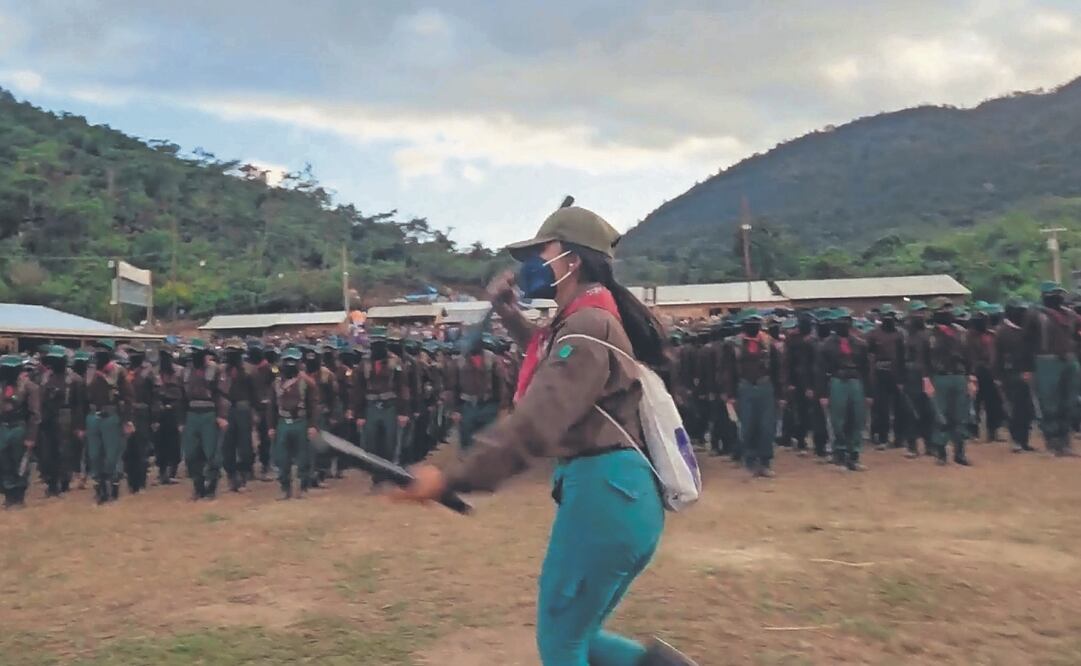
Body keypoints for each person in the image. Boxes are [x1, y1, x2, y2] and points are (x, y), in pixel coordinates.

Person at [395, 202, 695, 665]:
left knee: (561, 645)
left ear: (571, 261)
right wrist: (509, 313)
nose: (531, 266)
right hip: (618, 497)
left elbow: (535, 422)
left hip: (604, 493)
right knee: (578, 636)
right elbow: (548, 352)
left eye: (541, 254)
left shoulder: (588, 326)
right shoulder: (587, 319)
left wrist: (451, 478)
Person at [723, 309, 785, 478]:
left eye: (757, 322)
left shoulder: (769, 343)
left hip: (766, 386)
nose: (754, 326)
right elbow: (728, 372)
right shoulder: (733, 344)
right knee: (747, 426)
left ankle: (765, 462)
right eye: (750, 323)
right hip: (744, 387)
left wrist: (780, 394)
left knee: (767, 426)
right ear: (743, 325)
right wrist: (730, 394)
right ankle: (750, 460)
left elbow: (778, 369)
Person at [1026, 282, 1081, 456]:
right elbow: (1026, 342)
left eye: (1060, 293)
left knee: (1069, 402)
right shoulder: (1035, 315)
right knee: (1049, 403)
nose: (1058, 297)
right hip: (1046, 361)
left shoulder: (1071, 315)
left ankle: (1065, 443)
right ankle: (1051, 442)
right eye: (1054, 294)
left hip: (1069, 360)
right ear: (1044, 296)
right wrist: (1027, 367)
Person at [920, 299, 975, 466]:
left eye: (950, 308)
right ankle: (941, 453)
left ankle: (960, 453)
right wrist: (926, 381)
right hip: (939, 378)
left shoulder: (961, 333)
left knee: (960, 416)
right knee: (940, 416)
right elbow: (923, 361)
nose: (948, 312)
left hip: (959, 376)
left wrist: (971, 378)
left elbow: (969, 357)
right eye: (943, 309)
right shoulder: (928, 335)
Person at [816, 309, 872, 471]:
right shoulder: (826, 345)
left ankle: (854, 456)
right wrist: (823, 394)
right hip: (836, 382)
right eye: (841, 321)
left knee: (857, 419)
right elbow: (820, 371)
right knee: (838, 421)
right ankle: (839, 455)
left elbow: (866, 369)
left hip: (856, 382)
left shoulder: (860, 344)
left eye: (847, 320)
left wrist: (868, 392)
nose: (845, 324)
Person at [352, 328, 410, 483]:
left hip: (390, 406)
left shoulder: (395, 362)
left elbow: (402, 387)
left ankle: (389, 475)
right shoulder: (364, 364)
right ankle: (376, 477)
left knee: (390, 443)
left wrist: (403, 412)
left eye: (380, 342)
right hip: (370, 407)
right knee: (371, 443)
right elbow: (358, 389)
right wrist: (359, 414)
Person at [85, 339, 135, 504]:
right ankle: (100, 489)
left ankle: (113, 487)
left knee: (112, 456)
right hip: (93, 416)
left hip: (112, 416)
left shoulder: (118, 371)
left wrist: (127, 420)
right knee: (94, 455)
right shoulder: (90, 371)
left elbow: (128, 397)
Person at [268, 348, 318, 499]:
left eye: (293, 361)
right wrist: (271, 426)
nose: (290, 364)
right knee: (282, 458)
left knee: (303, 457)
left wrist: (312, 425)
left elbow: (313, 405)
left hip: (300, 422)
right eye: (287, 361)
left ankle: (303, 487)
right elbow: (271, 407)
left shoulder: (306, 383)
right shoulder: (276, 384)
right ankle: (285, 488)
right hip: (283, 422)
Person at [449, 333, 508, 451]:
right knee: (467, 443)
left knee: (488, 443)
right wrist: (455, 410)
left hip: (488, 405)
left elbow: (499, 383)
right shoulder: (460, 361)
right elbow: (453, 387)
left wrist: (498, 405)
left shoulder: (492, 359)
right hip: (467, 406)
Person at [37, 346, 83, 497]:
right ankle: (51, 483)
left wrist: (78, 425)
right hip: (48, 416)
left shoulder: (74, 379)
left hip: (66, 415)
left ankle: (63, 483)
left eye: (57, 360)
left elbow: (80, 405)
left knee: (65, 452)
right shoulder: (45, 378)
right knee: (47, 453)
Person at [181, 339, 222, 500]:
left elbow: (221, 395)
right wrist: (181, 421)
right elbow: (182, 397)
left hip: (209, 413)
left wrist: (221, 416)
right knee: (191, 454)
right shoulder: (186, 371)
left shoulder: (215, 370)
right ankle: (198, 487)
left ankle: (211, 487)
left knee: (211, 453)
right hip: (191, 414)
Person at [0, 354, 41, 508]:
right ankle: (8, 494)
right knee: (3, 462)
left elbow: (35, 414)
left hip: (19, 428)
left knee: (20, 463)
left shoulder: (29, 387)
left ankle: (19, 496)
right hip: (3, 427)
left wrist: (31, 436)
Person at [995, 301, 1035, 453]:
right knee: (1015, 409)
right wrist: (998, 377)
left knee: (1028, 410)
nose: (1023, 314)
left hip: (1027, 373)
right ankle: (1017, 441)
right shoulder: (1002, 331)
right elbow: (996, 356)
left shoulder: (1025, 330)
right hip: (1010, 374)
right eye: (1020, 311)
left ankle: (1025, 441)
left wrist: (1029, 370)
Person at [218, 339, 257, 492]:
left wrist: (254, 412)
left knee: (245, 447)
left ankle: (243, 475)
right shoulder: (221, 371)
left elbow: (254, 394)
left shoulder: (249, 370)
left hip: (243, 409)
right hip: (226, 410)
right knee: (227, 446)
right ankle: (231, 476)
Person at [867, 305, 906, 450]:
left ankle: (898, 438)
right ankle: (882, 437)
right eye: (886, 315)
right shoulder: (873, 334)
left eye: (891, 315)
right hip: (880, 373)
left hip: (896, 373)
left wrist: (902, 378)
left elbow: (903, 357)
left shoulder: (899, 334)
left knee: (899, 408)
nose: (888, 318)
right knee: (881, 408)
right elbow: (869, 355)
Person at [901, 302, 934, 458]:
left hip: (927, 375)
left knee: (929, 411)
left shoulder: (928, 334)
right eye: (917, 312)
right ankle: (912, 446)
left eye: (923, 312)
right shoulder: (904, 335)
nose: (921, 315)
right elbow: (898, 358)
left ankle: (929, 444)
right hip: (910, 375)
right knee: (911, 412)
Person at [124, 343, 156, 494]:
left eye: (134, 353)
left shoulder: (148, 373)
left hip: (143, 413)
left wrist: (155, 418)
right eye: (130, 353)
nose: (132, 356)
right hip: (127, 413)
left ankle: (141, 482)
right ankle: (131, 483)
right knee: (128, 451)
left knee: (141, 450)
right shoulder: (125, 372)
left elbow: (155, 397)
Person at [156, 347, 182, 485]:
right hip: (160, 412)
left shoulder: (178, 372)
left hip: (174, 412)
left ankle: (172, 472)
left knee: (174, 444)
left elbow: (181, 394)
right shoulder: (156, 372)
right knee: (161, 444)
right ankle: (163, 473)